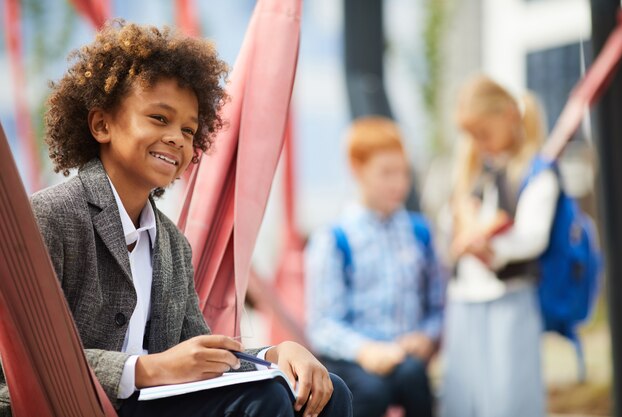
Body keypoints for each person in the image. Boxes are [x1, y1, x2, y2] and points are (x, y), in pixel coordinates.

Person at [0, 20, 352, 417]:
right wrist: (146, 370)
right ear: (102, 125)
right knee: (263, 400)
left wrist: (278, 352)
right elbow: (9, 367)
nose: (177, 139)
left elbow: (200, 353)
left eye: (189, 129)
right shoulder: (49, 218)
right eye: (160, 119)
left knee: (325, 391)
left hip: (156, 407)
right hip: (80, 408)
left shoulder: (171, 244)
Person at [305, 116, 445, 417]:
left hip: (406, 357)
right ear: (357, 169)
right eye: (386, 173)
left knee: (414, 378)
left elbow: (437, 304)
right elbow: (323, 325)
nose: (398, 184)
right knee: (370, 391)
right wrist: (365, 351)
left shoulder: (419, 232)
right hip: (355, 360)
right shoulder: (335, 239)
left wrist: (426, 335)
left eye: (403, 173)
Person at [440, 75, 558, 417]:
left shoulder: (536, 172)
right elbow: (450, 225)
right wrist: (462, 222)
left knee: (509, 398)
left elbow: (533, 237)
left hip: (510, 297)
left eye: (483, 133)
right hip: (464, 298)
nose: (479, 143)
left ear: (507, 115)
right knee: (464, 397)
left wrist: (492, 248)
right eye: (472, 136)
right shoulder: (472, 174)